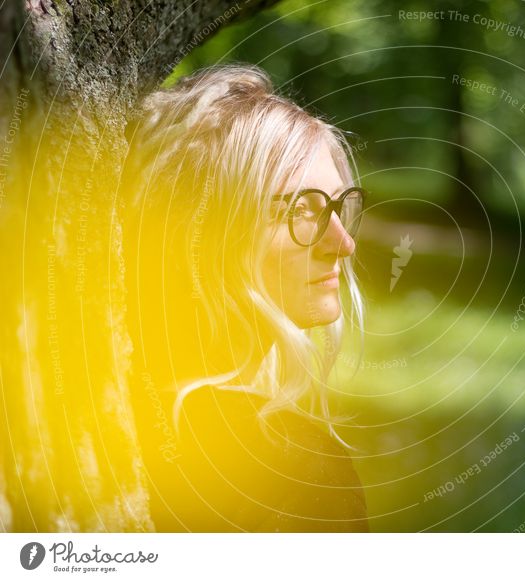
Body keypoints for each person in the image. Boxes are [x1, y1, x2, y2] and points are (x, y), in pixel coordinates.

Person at [121, 64, 369, 532]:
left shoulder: (110, 398)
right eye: (298, 210)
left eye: (338, 206)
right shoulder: (298, 470)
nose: (342, 242)